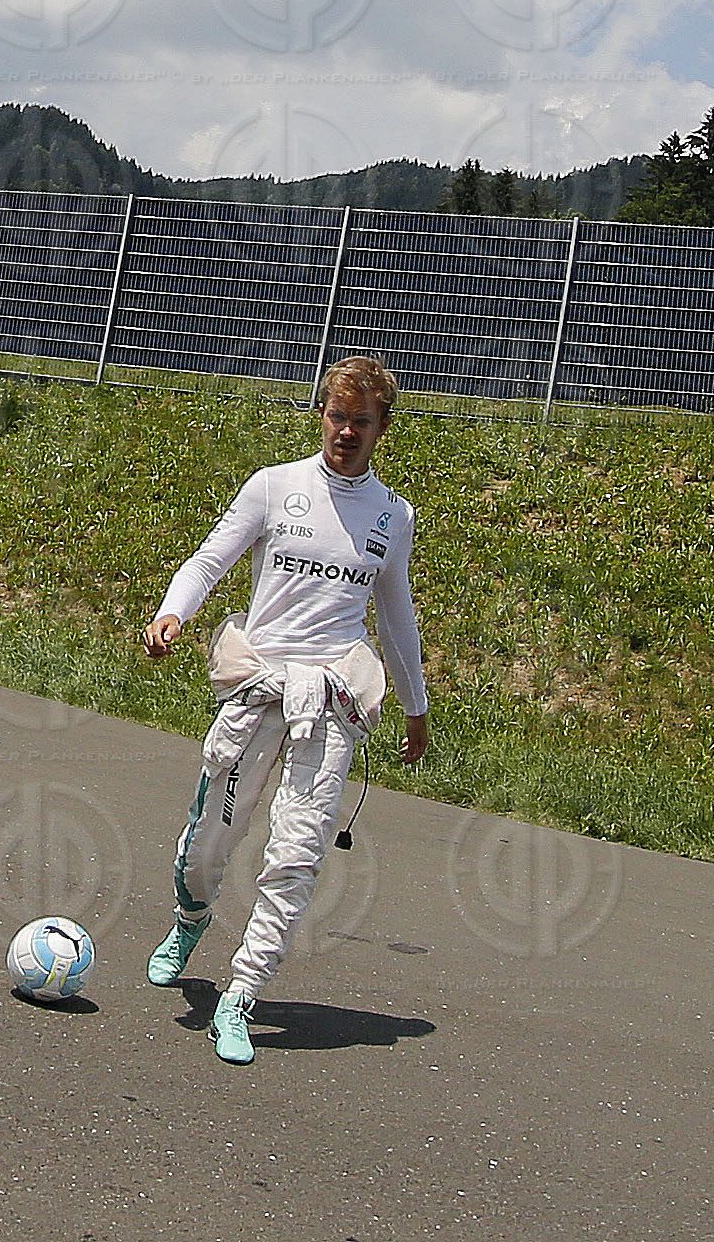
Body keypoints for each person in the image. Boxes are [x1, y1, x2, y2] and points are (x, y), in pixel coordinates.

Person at [141, 355, 430, 1066]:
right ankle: (191, 915)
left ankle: (241, 994)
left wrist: (416, 706)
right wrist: (174, 613)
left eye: (363, 421)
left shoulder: (393, 517)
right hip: (258, 685)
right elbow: (209, 560)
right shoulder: (276, 488)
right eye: (338, 416)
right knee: (211, 842)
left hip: (330, 699)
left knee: (297, 853)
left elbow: (395, 617)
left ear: (382, 428)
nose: (347, 432)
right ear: (322, 414)